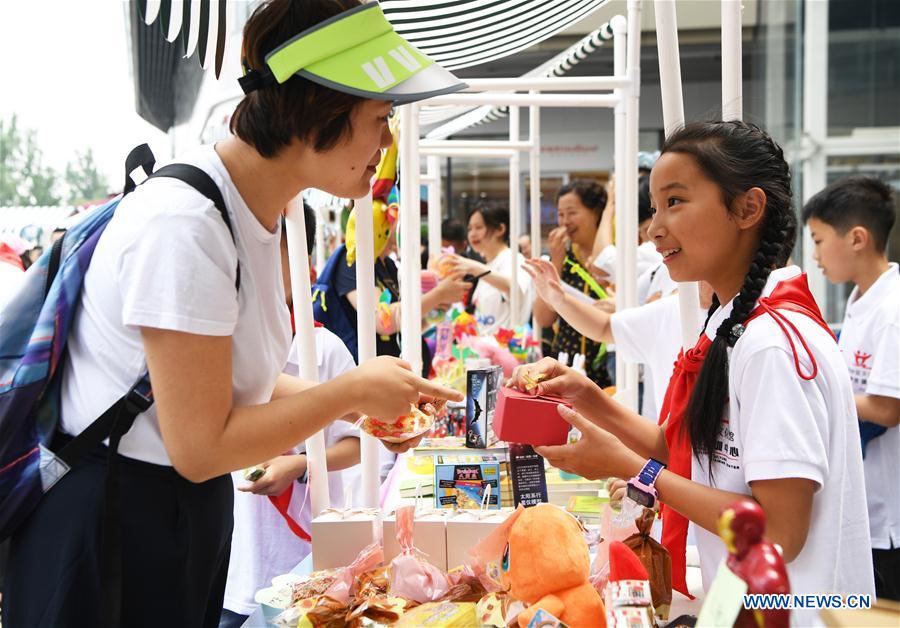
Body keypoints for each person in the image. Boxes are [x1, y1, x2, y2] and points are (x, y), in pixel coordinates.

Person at [1, 1, 465, 626]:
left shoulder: (259, 212)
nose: (387, 143)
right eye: (380, 119)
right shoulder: (185, 225)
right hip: (112, 526)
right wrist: (346, 391)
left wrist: (360, 400)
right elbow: (199, 443)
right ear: (316, 111)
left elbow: (231, 374)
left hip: (172, 511)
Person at [509, 121, 875, 622]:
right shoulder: (732, 322)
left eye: (675, 202)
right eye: (655, 207)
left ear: (748, 208)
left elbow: (780, 532)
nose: (656, 227)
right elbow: (685, 451)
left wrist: (631, 468)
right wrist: (589, 397)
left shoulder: (771, 345)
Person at [803, 175, 899, 601]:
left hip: (889, 516)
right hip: (865, 504)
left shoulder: (892, 309)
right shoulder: (862, 301)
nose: (815, 255)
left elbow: (887, 406)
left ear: (857, 238)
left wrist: (814, 394)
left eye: (820, 241)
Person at [525, 257, 710, 421]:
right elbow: (605, 327)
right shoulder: (668, 309)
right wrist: (559, 300)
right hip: (669, 447)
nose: (656, 232)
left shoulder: (733, 322)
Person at [329, 221, 471, 376]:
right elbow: (384, 321)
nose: (402, 222)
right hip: (373, 374)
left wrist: (436, 308)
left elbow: (403, 324)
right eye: (395, 214)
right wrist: (438, 295)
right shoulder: (353, 259)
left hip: (396, 369)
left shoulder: (387, 264)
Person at [533, 180, 613, 387]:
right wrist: (556, 261)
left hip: (607, 364)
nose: (565, 221)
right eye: (560, 214)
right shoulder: (562, 259)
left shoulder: (614, 257)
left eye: (572, 212)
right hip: (567, 361)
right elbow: (543, 318)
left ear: (596, 212)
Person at [447, 204, 532, 335]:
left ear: (500, 229)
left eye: (479, 227)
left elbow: (515, 290)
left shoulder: (515, 260)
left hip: (508, 351)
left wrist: (474, 268)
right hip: (484, 349)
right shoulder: (488, 265)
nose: (472, 234)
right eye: (470, 229)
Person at [591, 175, 664, 284]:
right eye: (640, 232)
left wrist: (610, 205)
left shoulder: (656, 251)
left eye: (645, 229)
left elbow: (601, 262)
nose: (645, 236)